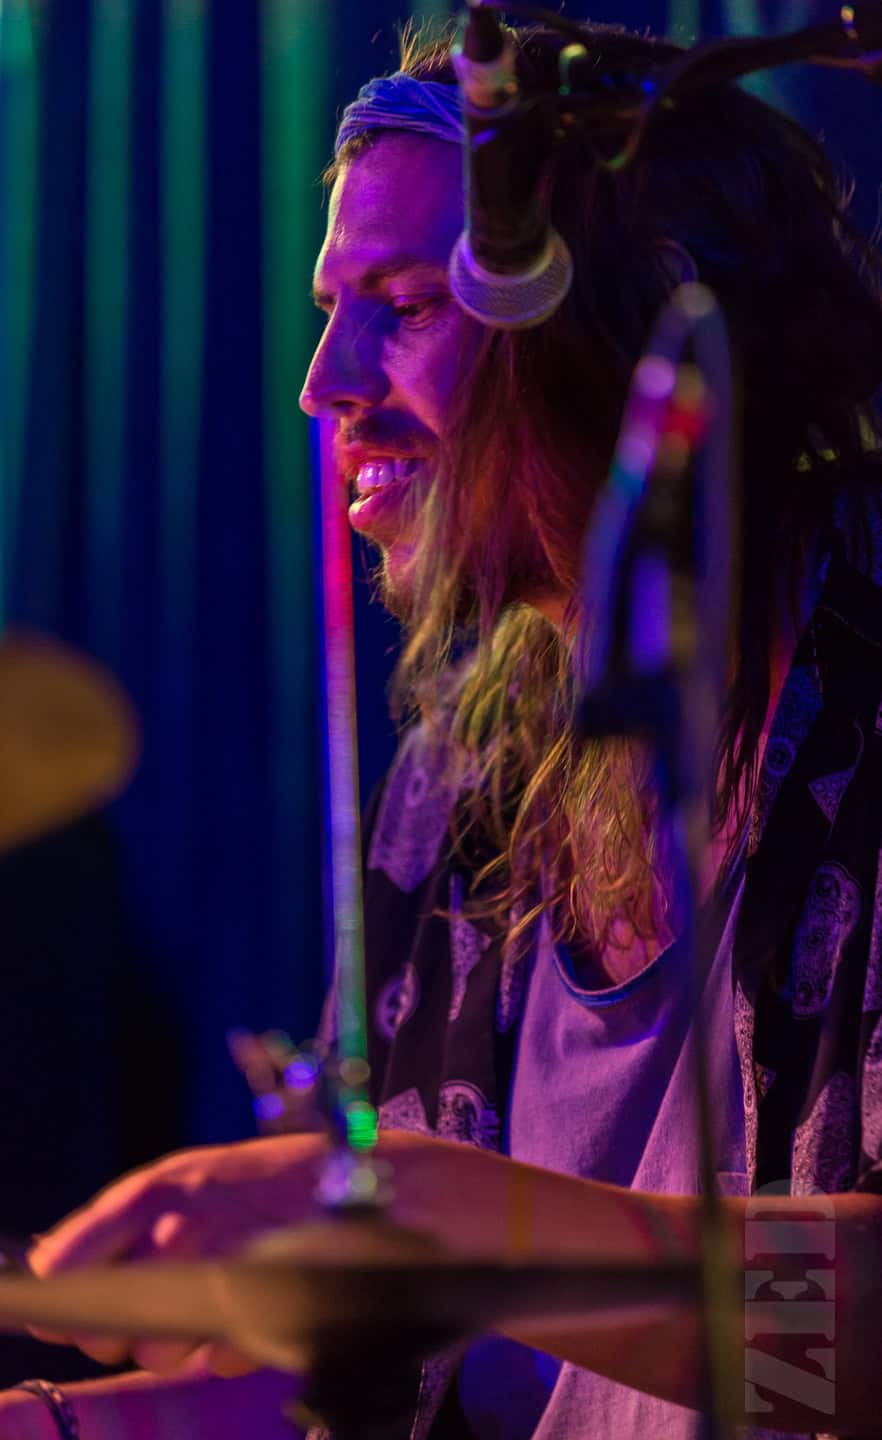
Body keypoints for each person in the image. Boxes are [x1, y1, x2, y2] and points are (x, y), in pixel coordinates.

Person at [4, 17, 882, 1440]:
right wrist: (65, 1423)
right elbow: (373, 1379)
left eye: (408, 306)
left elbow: (851, 1350)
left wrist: (428, 1209)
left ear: (638, 335)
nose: (324, 385)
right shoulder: (464, 776)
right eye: (330, 309)